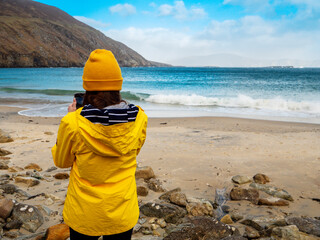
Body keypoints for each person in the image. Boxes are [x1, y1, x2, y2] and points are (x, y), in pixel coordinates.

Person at [52, 49, 148, 240]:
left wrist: (72, 116)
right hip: (122, 210)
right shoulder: (139, 117)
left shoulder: (73, 122)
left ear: (87, 87)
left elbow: (61, 161)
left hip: (84, 212)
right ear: (117, 85)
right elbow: (134, 151)